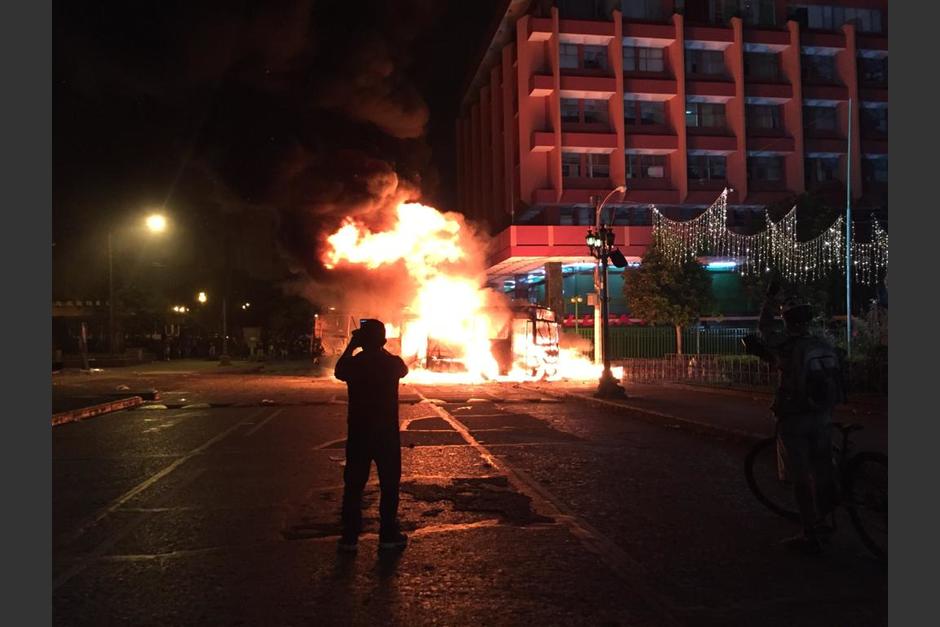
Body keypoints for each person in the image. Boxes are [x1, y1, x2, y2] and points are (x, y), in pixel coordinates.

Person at [750, 277, 843, 555]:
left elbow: (764, 328)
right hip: (823, 414)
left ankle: (809, 532)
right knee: (824, 469)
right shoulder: (822, 343)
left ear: (787, 320)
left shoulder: (786, 346)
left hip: (795, 417)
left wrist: (770, 299)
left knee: (801, 477)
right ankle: (827, 520)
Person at [334, 319, 409, 552]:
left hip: (359, 432)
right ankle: (387, 534)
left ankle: (349, 537)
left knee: (354, 485)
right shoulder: (393, 363)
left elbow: (338, 370)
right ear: (383, 341)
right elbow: (403, 369)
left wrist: (352, 345)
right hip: (386, 434)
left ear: (361, 342)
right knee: (389, 485)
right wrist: (378, 346)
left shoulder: (354, 364)